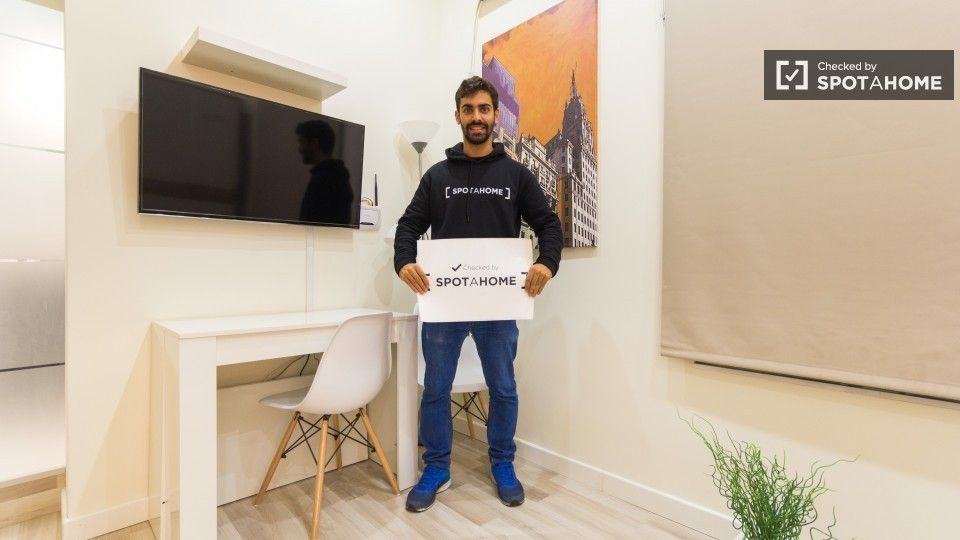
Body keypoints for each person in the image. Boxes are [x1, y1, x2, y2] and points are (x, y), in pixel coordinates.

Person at [394, 76, 563, 512]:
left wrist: (546, 263)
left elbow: (549, 225)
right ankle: (437, 468)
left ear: (494, 116)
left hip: (497, 306)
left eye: (483, 109)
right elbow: (408, 226)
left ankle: (503, 463)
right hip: (445, 304)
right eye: (468, 109)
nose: (476, 117)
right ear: (458, 116)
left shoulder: (516, 175)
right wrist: (404, 261)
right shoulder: (437, 176)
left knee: (503, 388)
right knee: (436, 389)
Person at [296, 119, 354, 225]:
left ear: (314, 143)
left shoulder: (324, 179)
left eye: (302, 142)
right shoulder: (336, 175)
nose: (299, 149)